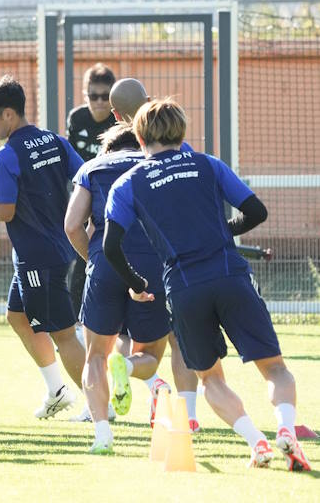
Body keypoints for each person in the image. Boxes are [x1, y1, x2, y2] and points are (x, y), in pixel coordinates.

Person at [104, 98, 311, 471]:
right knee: (275, 368)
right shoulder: (208, 164)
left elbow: (109, 245)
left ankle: (256, 442)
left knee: (210, 378)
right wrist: (223, 233)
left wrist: (135, 283)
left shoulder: (127, 183)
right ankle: (285, 429)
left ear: (138, 136)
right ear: (182, 131)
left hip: (183, 288)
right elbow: (257, 212)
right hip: (231, 275)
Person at [0, 76, 85, 420]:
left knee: (64, 335)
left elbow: (4, 211)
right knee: (17, 316)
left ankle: (102, 404)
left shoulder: (4, 156)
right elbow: (84, 176)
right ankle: (57, 390)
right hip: (57, 249)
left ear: (7, 115)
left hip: (38, 258)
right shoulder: (55, 141)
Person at [65, 123, 171, 453]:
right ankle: (125, 365)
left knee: (95, 355)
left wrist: (93, 259)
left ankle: (102, 435)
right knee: (150, 355)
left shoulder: (92, 167)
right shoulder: (159, 165)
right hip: (152, 265)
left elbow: (71, 225)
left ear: (106, 150)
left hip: (105, 264)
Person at [108, 78, 200, 430]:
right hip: (174, 259)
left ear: (116, 115)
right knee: (180, 340)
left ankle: (151, 389)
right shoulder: (179, 149)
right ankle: (187, 415)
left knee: (125, 338)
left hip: (125, 261)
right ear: (149, 101)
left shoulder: (110, 152)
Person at [66, 64, 117, 321]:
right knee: (81, 261)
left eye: (104, 96)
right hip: (84, 196)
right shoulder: (77, 118)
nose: (98, 102)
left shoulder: (119, 121)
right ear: (85, 95)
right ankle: (77, 321)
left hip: (113, 201)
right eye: (92, 95)